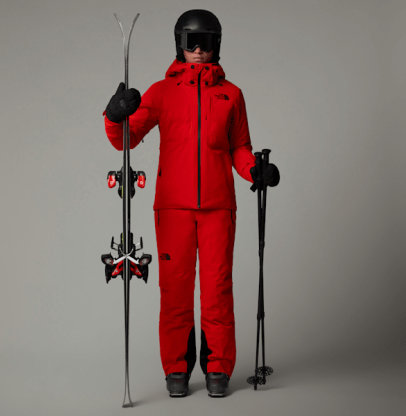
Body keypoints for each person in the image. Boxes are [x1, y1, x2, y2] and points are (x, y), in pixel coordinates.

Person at [103, 9, 280, 398]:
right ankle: (176, 369)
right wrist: (115, 116)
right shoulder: (161, 92)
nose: (198, 50)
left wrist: (255, 171)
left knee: (217, 288)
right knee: (175, 289)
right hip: (173, 208)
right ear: (179, 44)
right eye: (190, 42)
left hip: (218, 207)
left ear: (217, 45)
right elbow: (125, 140)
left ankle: (218, 367)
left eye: (207, 42)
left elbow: (239, 147)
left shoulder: (231, 94)